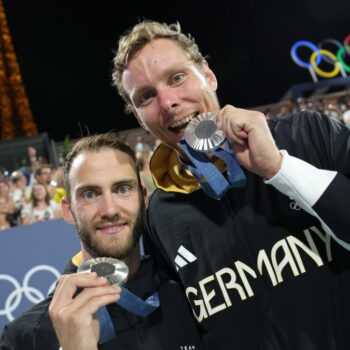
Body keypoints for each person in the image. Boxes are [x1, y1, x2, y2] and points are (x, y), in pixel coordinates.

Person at [111, 20, 350, 349]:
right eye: (146, 96)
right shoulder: (160, 216)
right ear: (139, 117)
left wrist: (279, 168)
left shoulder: (308, 135)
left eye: (177, 77)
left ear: (207, 75)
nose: (167, 102)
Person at [0, 133, 203, 350]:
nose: (110, 210)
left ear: (144, 198)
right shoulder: (24, 337)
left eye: (123, 189)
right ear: (68, 211)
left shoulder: (194, 294)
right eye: (89, 194)